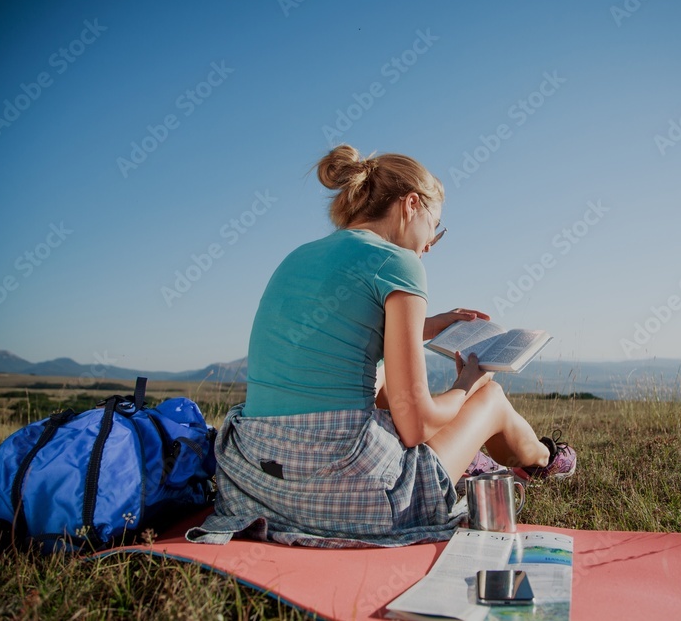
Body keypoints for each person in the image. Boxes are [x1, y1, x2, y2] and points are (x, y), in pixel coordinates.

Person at [187, 145, 575, 548]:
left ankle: (475, 458)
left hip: (257, 485)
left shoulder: (298, 256)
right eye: (435, 228)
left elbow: (340, 333)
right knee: (490, 397)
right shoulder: (399, 262)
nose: (429, 245)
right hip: (348, 498)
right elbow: (417, 425)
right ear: (411, 205)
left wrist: (426, 326)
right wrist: (468, 382)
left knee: (386, 377)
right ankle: (544, 460)